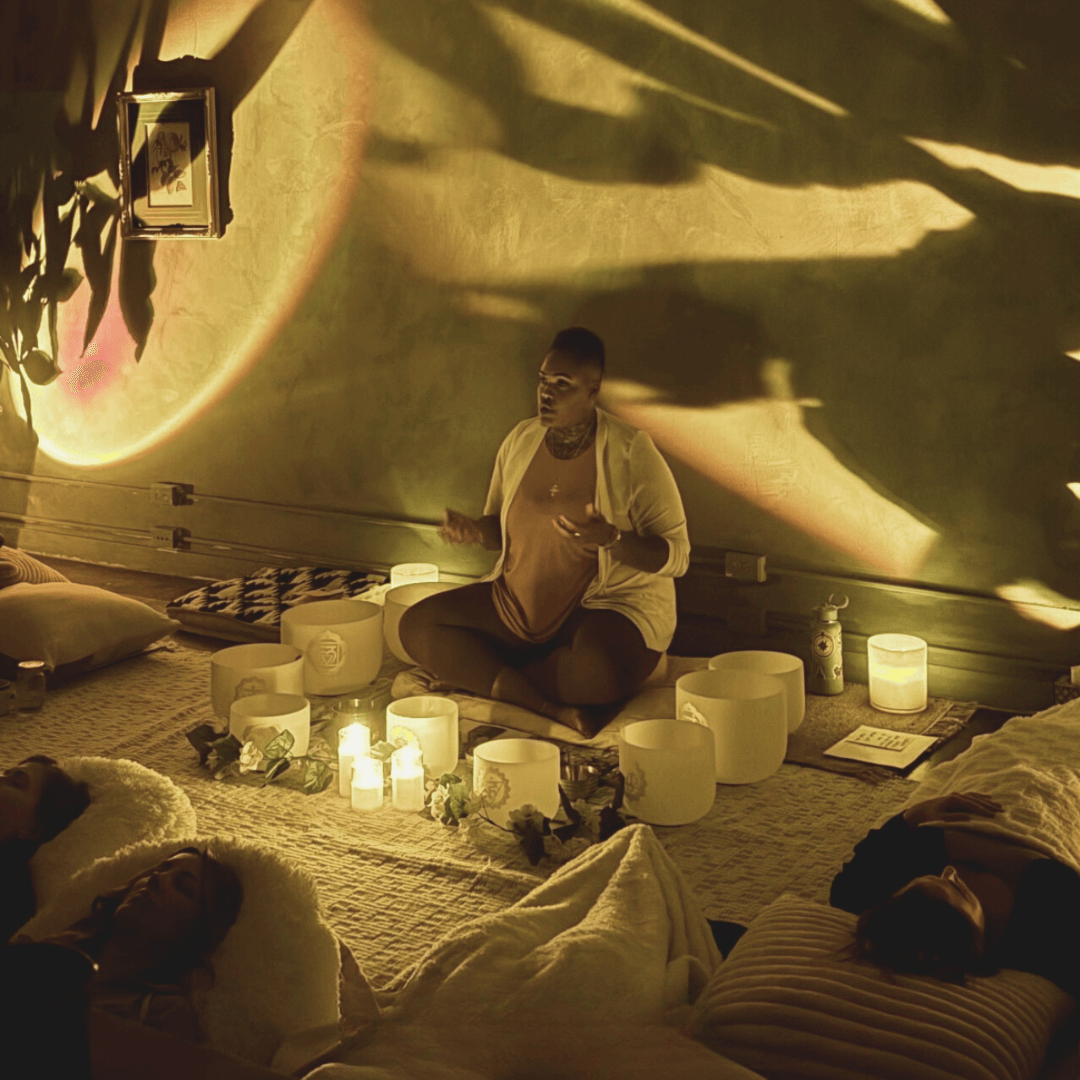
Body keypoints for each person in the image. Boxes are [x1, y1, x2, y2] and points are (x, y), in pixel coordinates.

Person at [399, 327, 690, 736]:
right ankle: (547, 705)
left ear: (592, 391)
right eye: (542, 380)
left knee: (597, 671)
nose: (546, 393)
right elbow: (498, 533)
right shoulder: (521, 439)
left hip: (596, 613)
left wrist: (610, 539)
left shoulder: (630, 451)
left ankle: (490, 676)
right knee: (415, 626)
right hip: (514, 608)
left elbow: (677, 556)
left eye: (562, 384)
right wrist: (474, 531)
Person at [829, 791, 1080, 995]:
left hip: (976, 791)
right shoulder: (1049, 943)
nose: (950, 870)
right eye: (958, 888)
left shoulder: (883, 906)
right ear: (975, 939)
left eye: (918, 882)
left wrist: (914, 814)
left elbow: (849, 880)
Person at [0, 755, 91, 942]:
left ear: (31, 829)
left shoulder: (10, 892)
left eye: (16, 783)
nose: (1, 778)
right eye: (4, 773)